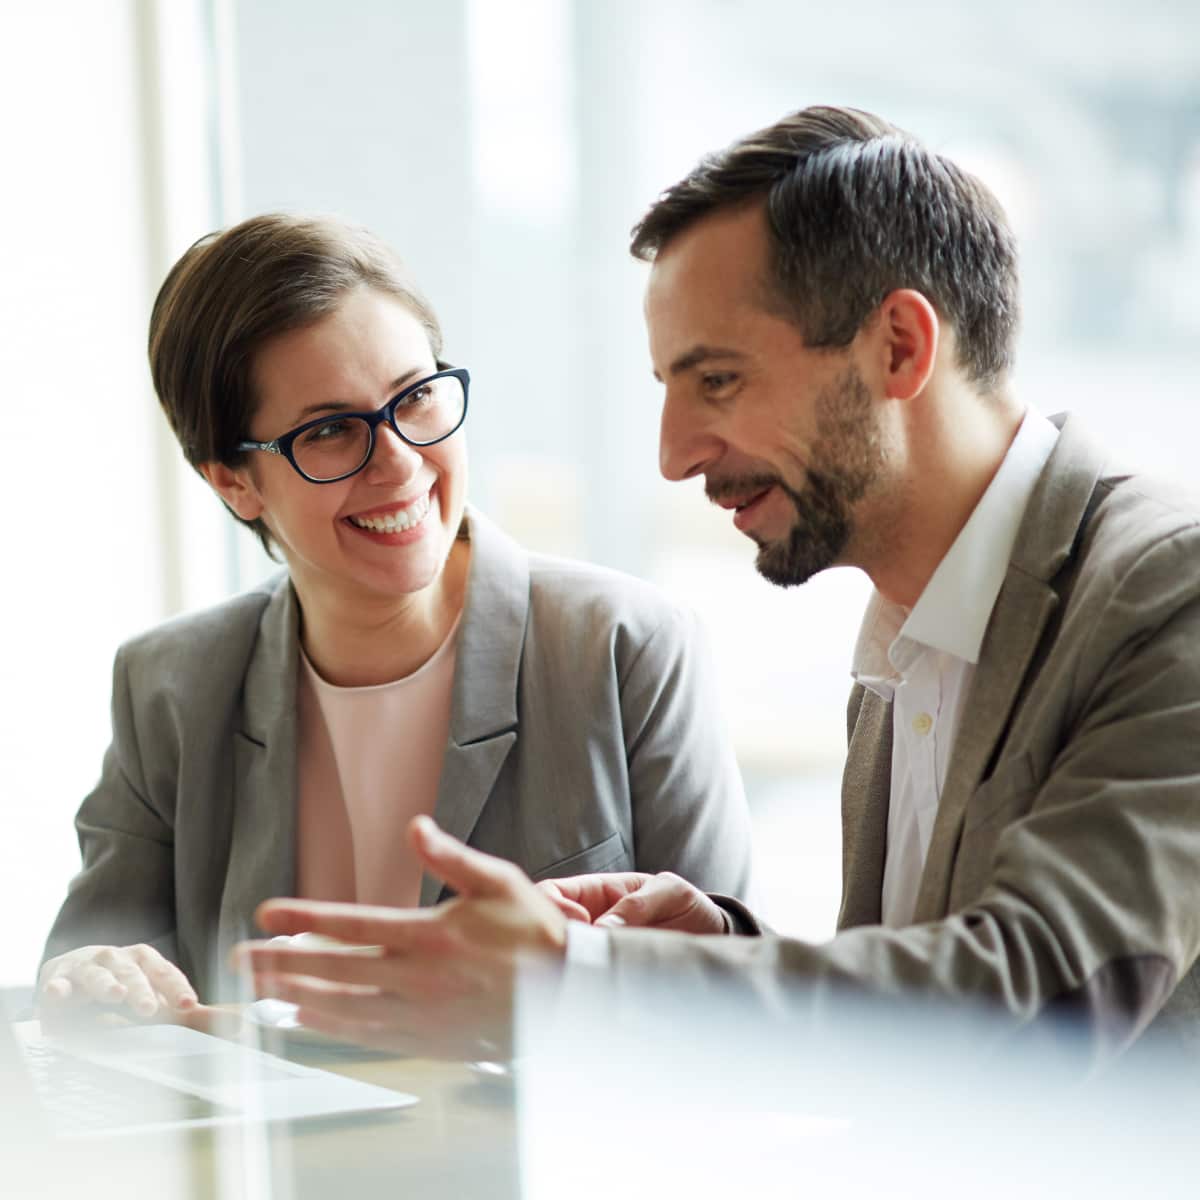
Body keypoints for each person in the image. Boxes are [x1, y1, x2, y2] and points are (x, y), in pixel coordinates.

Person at [238, 106, 1200, 1063]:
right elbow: (923, 1029)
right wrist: (719, 956)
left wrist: (586, 985)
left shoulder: (1168, 590)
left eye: (720, 382)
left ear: (901, 348)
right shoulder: (909, 629)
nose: (674, 454)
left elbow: (1041, 1002)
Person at [38, 213, 754, 1021]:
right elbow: (84, 976)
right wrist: (96, 981)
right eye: (333, 431)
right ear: (233, 482)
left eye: (414, 398)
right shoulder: (167, 685)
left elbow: (734, 997)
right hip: (276, 1148)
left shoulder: (624, 647)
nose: (402, 463)